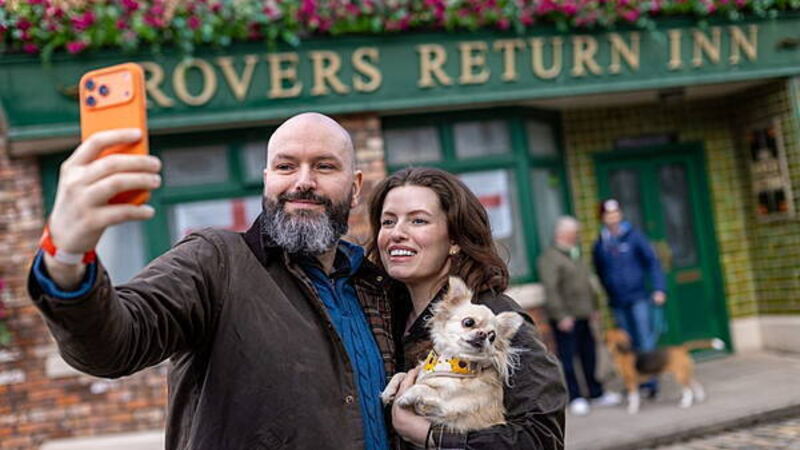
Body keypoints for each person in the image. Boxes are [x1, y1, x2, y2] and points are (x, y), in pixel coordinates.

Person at [27, 113, 396, 449]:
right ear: (267, 180)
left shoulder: (377, 283)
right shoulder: (216, 262)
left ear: (355, 187)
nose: (303, 182)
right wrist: (67, 257)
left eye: (324, 166)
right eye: (286, 166)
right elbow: (115, 344)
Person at [367, 167, 566, 449]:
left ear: (455, 241)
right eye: (388, 221)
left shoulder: (492, 318)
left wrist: (430, 436)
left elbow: (541, 437)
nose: (397, 233)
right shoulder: (384, 316)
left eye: (418, 220)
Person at [538, 216, 621, 416]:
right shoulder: (550, 258)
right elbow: (551, 289)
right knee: (568, 358)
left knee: (589, 355)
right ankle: (575, 397)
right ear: (563, 234)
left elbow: (587, 284)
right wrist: (561, 316)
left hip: (584, 314)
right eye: (575, 233)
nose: (578, 236)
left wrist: (594, 308)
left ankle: (595, 392)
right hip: (567, 317)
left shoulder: (575, 253)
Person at [592, 198, 667, 396]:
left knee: (645, 339)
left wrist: (659, 289)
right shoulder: (601, 243)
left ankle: (650, 381)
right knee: (626, 344)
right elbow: (599, 271)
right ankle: (633, 381)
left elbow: (653, 263)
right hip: (617, 301)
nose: (613, 217)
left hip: (638, 297)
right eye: (608, 214)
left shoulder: (635, 237)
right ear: (602, 218)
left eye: (616, 213)